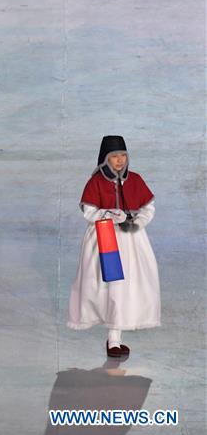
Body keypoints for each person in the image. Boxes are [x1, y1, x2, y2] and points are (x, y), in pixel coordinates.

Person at [67, 135, 160, 358]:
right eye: (114, 156)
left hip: (132, 241)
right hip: (105, 239)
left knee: (129, 285)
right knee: (109, 286)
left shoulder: (135, 180)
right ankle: (113, 338)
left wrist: (137, 222)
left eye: (123, 156)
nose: (119, 161)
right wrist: (108, 215)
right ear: (104, 159)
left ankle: (116, 336)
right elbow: (89, 211)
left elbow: (148, 208)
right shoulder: (96, 182)